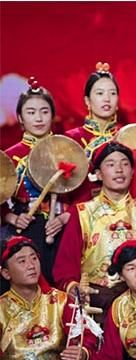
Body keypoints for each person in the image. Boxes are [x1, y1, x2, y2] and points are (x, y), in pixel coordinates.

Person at [0, 237, 116, 360]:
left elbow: (85, 336)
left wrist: (82, 353)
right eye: (22, 261)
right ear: (6, 273)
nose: (31, 265)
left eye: (34, 258)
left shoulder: (60, 301)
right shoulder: (1, 308)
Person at [53, 141, 136, 320]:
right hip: (98, 302)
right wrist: (73, 287)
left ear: (133, 172)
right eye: (111, 164)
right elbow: (65, 265)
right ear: (99, 174)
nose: (119, 170)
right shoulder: (83, 212)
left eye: (125, 164)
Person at [2, 78, 67, 285]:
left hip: (63, 225)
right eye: (31, 112)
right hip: (26, 227)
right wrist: (13, 218)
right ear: (20, 118)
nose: (38, 118)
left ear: (53, 115)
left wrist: (64, 218)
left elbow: (83, 196)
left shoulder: (67, 150)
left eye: (44, 111)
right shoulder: (10, 157)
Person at [64, 62, 121, 203]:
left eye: (112, 93)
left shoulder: (127, 135)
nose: (107, 98)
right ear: (87, 101)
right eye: (100, 93)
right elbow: (64, 190)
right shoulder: (72, 139)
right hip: (83, 210)